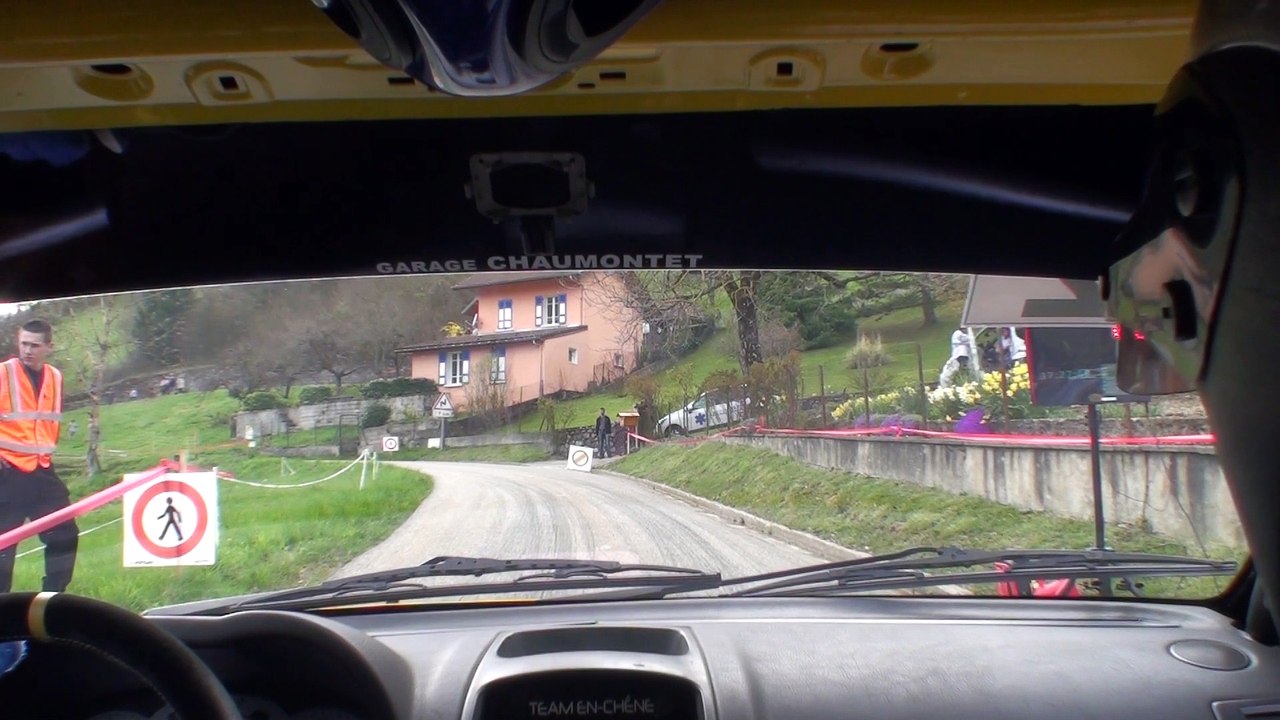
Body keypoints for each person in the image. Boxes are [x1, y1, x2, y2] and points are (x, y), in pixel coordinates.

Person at [0, 319, 78, 593]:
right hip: (7, 473)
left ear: (49, 347)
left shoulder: (56, 377)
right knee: (2, 549)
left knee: (65, 535)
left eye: (34, 345)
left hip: (43, 470)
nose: (27, 350)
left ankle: (51, 601)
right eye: (23, 344)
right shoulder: (3, 373)